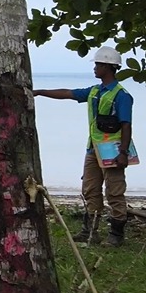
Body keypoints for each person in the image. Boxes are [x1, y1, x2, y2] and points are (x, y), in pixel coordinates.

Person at [33, 46, 135, 247]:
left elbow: (126, 125)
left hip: (113, 151)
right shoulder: (94, 91)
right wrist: (40, 92)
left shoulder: (121, 95)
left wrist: (123, 153)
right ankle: (90, 232)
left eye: (98, 64)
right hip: (93, 150)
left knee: (114, 192)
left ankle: (116, 235)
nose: (95, 68)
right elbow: (68, 93)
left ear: (108, 66)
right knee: (90, 190)